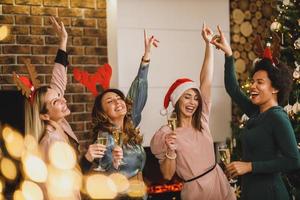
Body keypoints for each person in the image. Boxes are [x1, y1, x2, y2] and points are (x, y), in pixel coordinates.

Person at [211, 25, 300, 200]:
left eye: (260, 82)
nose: (252, 86)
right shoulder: (255, 111)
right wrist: (229, 55)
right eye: (253, 81)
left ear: (275, 88)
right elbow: (233, 89)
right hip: (251, 191)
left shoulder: (277, 117)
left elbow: (293, 160)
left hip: (270, 193)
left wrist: (250, 166)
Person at [150, 24, 236, 200]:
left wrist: (208, 45)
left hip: (219, 181)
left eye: (196, 98)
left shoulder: (202, 119)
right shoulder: (166, 134)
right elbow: (167, 175)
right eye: (187, 97)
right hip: (195, 191)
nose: (193, 102)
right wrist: (171, 151)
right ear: (177, 100)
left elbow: (206, 80)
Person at [24, 17, 104, 199]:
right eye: (55, 102)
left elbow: (59, 80)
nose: (63, 100)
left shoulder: (59, 124)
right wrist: (87, 159)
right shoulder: (52, 142)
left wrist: (63, 40)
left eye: (59, 96)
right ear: (44, 116)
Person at [88, 31, 158, 184]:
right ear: (103, 113)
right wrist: (113, 164)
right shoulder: (105, 138)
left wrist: (146, 56)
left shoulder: (129, 125)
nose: (118, 101)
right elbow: (99, 173)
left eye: (119, 98)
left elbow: (138, 91)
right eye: (110, 101)